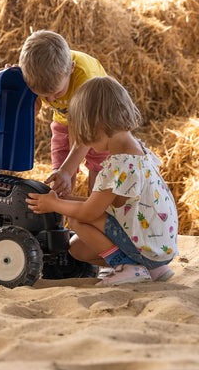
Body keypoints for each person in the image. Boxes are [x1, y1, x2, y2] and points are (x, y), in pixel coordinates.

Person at [26, 76, 178, 286]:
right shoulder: (139, 152)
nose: (85, 144)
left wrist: (54, 204)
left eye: (84, 136)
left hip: (146, 248)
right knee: (77, 248)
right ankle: (153, 270)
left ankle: (128, 267)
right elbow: (108, 205)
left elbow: (89, 213)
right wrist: (67, 199)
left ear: (96, 127)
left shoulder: (117, 166)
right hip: (159, 247)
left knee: (78, 221)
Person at [19, 30, 108, 196]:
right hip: (64, 121)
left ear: (71, 69)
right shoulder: (35, 74)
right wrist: (14, 82)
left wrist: (68, 170)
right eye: (44, 95)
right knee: (59, 177)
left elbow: (87, 135)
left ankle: (95, 214)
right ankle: (62, 218)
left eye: (57, 93)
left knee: (99, 171)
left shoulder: (86, 79)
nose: (51, 100)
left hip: (98, 123)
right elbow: (33, 107)